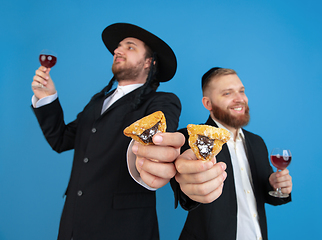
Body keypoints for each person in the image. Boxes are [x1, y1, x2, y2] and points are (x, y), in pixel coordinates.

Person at [31, 23, 181, 240]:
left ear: (150, 62)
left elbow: (157, 144)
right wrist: (46, 98)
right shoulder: (97, 102)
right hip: (74, 224)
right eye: (118, 47)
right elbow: (61, 140)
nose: (117, 51)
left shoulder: (161, 102)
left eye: (130, 47)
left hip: (123, 229)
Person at [132, 67, 292, 240]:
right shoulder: (188, 138)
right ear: (208, 104)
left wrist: (277, 186)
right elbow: (186, 191)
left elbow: (262, 195)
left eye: (242, 91)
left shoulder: (258, 142)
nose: (240, 99)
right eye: (227, 93)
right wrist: (190, 187)